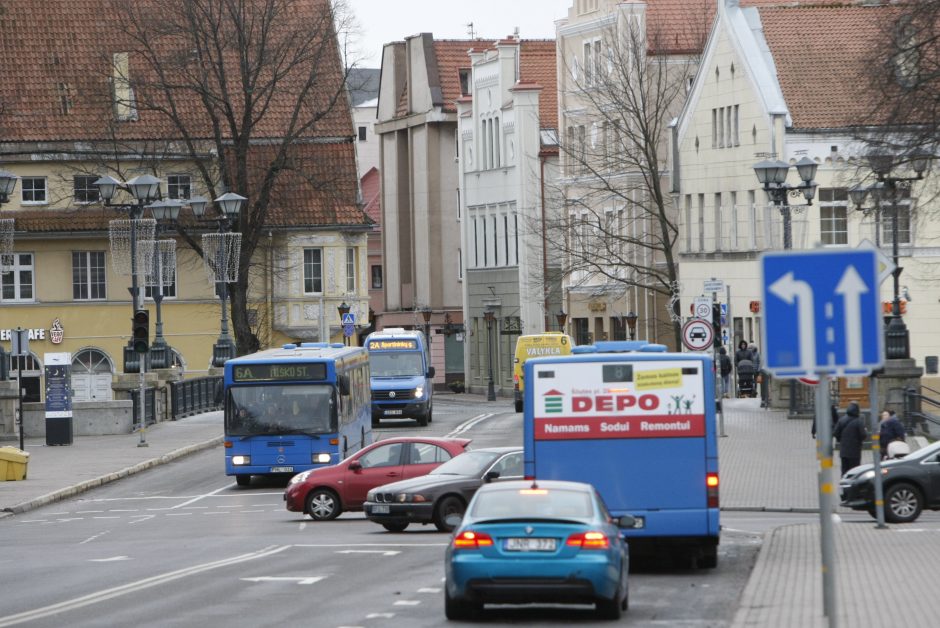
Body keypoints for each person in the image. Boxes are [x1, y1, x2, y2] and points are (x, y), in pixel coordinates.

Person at [833, 402, 867, 475]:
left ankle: (844, 484)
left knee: (844, 470)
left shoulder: (841, 420)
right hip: (855, 451)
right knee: (855, 470)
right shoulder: (859, 421)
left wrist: (840, 440)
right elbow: (863, 434)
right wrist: (859, 440)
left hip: (844, 451)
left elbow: (835, 432)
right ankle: (854, 485)